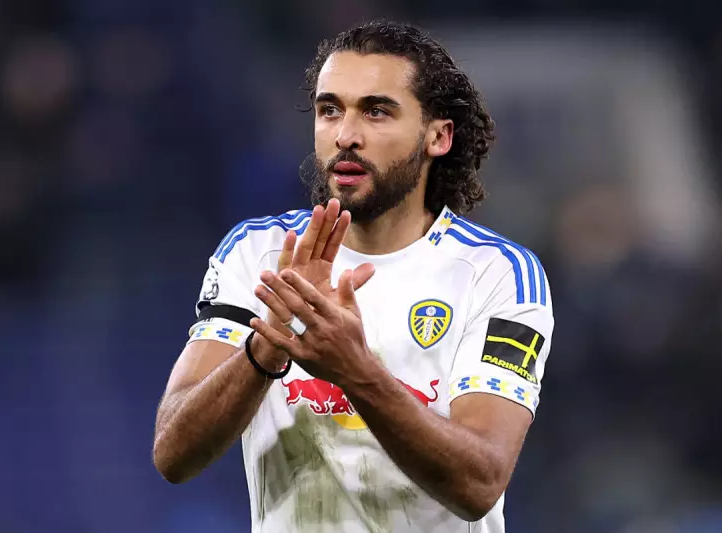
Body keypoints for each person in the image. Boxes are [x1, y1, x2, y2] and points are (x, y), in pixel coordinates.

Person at [153, 20, 554, 533]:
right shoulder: (258, 253)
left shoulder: (496, 274)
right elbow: (173, 454)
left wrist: (357, 370)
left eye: (376, 111)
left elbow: (479, 483)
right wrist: (269, 343)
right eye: (329, 110)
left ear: (438, 136)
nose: (345, 135)